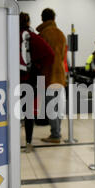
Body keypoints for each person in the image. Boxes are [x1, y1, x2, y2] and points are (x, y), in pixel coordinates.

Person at [19, 12, 54, 152]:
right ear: (28, 22)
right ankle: (28, 143)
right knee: (28, 113)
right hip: (28, 79)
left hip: (11, 79)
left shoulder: (8, 33)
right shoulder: (30, 36)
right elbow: (49, 54)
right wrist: (39, 68)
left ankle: (9, 142)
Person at [36, 8, 67, 143]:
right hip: (60, 74)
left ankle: (55, 135)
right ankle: (56, 132)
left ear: (43, 18)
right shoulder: (61, 34)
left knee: (50, 106)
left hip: (48, 75)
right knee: (58, 106)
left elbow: (40, 56)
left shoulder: (44, 34)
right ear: (54, 18)